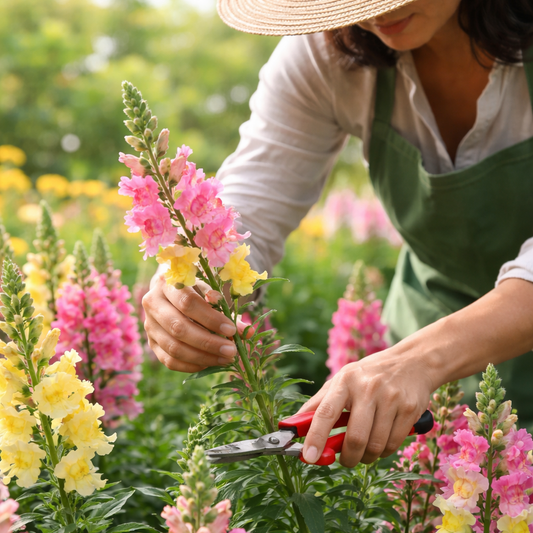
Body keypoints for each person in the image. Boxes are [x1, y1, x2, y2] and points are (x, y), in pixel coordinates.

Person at [142, 0, 533, 468]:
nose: (372, 13)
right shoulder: (324, 54)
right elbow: (257, 193)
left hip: (424, 358)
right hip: (427, 372)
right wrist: (194, 276)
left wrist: (422, 359)